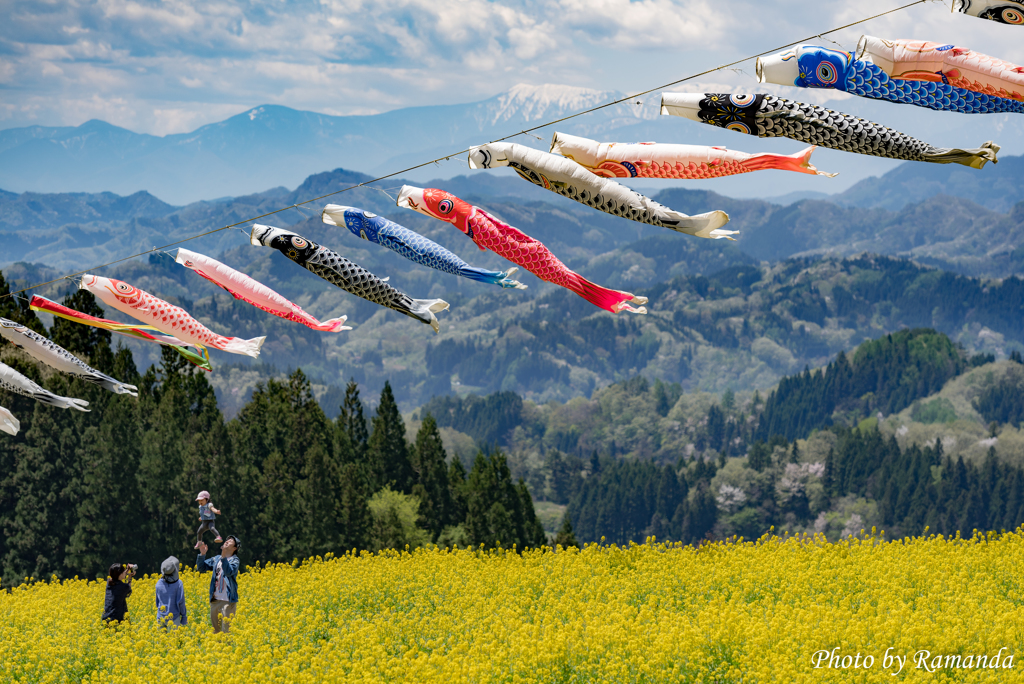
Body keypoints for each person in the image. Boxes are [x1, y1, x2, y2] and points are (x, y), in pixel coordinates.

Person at [197, 535, 240, 634]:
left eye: (230, 541)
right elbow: (201, 568)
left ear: (234, 548)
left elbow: (229, 571)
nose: (227, 541)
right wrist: (202, 554)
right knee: (216, 632)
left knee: (226, 632)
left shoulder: (235, 560)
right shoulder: (217, 559)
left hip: (228, 602)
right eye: (227, 540)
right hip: (215, 600)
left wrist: (224, 556)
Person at [155, 556, 188, 627]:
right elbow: (181, 602)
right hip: (174, 617)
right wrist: (184, 616)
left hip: (161, 617)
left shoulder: (158, 584)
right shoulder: (178, 584)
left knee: (161, 638)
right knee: (175, 638)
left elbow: (157, 602)